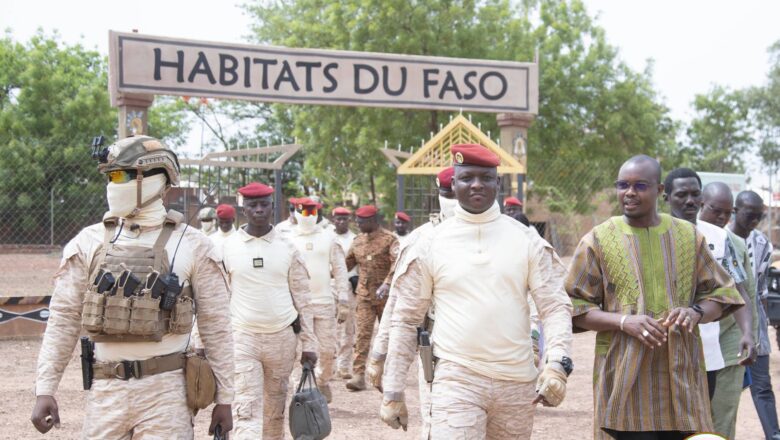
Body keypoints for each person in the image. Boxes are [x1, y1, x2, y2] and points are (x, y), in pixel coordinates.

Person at [30, 135, 234, 438]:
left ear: (157, 178)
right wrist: (45, 389)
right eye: (110, 176)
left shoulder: (194, 245)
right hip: (105, 390)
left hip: (167, 392)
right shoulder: (88, 242)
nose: (114, 184)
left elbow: (216, 325)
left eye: (123, 175)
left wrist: (225, 399)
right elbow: (63, 319)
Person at [381, 144, 573, 439]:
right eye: (467, 178)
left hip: (517, 382)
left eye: (485, 178)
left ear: (498, 182)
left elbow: (555, 307)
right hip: (456, 378)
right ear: (453, 183)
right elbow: (406, 319)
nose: (476, 185)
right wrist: (393, 391)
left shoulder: (526, 241)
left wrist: (558, 364)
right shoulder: (430, 243)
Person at [568, 155, 744, 440]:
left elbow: (723, 293)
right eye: (623, 184)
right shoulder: (598, 239)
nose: (629, 192)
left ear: (660, 191)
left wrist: (696, 313)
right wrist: (623, 321)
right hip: (623, 376)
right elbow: (574, 306)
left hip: (680, 374)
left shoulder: (688, 236)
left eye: (640, 185)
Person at [223, 182, 318, 440]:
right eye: (252, 205)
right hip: (243, 338)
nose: (258, 210)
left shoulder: (288, 248)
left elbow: (303, 299)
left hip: (281, 339)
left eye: (264, 204)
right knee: (246, 408)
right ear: (243, 209)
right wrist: (201, 341)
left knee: (274, 411)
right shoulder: (227, 247)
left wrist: (309, 343)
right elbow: (216, 299)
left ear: (272, 208)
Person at [664, 172, 755, 438]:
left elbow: (737, 290)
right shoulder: (653, 233)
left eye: (695, 194)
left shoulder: (718, 237)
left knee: (701, 426)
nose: (690, 201)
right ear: (666, 196)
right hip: (662, 350)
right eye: (682, 195)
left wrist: (748, 333)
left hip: (707, 354)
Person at [288, 197, 351, 402]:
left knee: (327, 349)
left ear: (317, 214)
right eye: (303, 212)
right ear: (296, 212)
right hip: (297, 305)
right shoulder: (287, 239)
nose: (307, 216)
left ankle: (322, 381)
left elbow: (340, 270)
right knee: (300, 351)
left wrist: (343, 300)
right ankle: (303, 391)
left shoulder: (329, 238)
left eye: (311, 212)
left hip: (324, 302)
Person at [731, 190, 780, 440]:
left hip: (755, 324)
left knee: (762, 387)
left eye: (759, 216)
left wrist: (760, 326)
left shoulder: (762, 243)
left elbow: (760, 289)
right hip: (725, 325)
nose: (755, 221)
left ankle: (774, 435)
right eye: (750, 214)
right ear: (735, 211)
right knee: (726, 389)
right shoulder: (720, 239)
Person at [344, 205, 399, 391]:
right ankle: (358, 375)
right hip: (365, 296)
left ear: (373, 220)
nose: (358, 224)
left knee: (389, 337)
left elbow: (397, 264)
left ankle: (388, 375)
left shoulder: (389, 239)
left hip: (386, 298)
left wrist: (387, 283)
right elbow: (346, 263)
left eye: (362, 221)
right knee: (362, 335)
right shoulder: (358, 241)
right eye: (357, 221)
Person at [332, 207, 359, 379]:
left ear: (349, 220)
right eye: (338, 219)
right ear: (333, 219)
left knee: (348, 328)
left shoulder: (355, 239)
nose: (341, 222)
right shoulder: (326, 237)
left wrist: (357, 277)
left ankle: (343, 365)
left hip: (349, 286)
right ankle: (329, 365)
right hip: (329, 284)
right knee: (328, 327)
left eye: (344, 219)